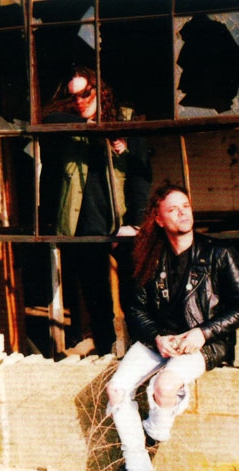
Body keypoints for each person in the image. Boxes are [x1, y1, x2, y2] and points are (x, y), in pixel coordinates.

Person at [106, 182, 239, 471]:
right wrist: (157, 337)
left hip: (204, 344)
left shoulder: (219, 253)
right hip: (160, 341)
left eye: (185, 206)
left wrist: (203, 333)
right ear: (158, 219)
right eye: (172, 209)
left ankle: (146, 442)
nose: (182, 213)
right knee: (115, 390)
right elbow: (136, 309)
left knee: (165, 386)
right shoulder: (149, 256)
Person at [39, 66, 152, 356]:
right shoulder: (67, 124)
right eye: (73, 96)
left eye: (86, 93)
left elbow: (141, 175)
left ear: (100, 90)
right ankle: (105, 352)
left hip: (121, 220)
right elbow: (46, 119)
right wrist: (93, 127)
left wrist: (135, 222)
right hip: (82, 221)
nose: (79, 101)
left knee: (134, 293)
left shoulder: (126, 120)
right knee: (96, 296)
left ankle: (141, 353)